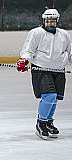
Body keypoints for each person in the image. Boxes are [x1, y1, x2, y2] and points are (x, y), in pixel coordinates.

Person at [17, 8, 72, 139]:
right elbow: (28, 50)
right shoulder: (36, 33)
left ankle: (48, 122)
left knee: (55, 98)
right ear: (44, 21)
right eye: (47, 21)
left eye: (52, 21)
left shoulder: (64, 35)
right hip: (41, 69)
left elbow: (70, 53)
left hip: (59, 70)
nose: (50, 23)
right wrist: (24, 60)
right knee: (49, 96)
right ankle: (40, 124)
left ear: (57, 21)